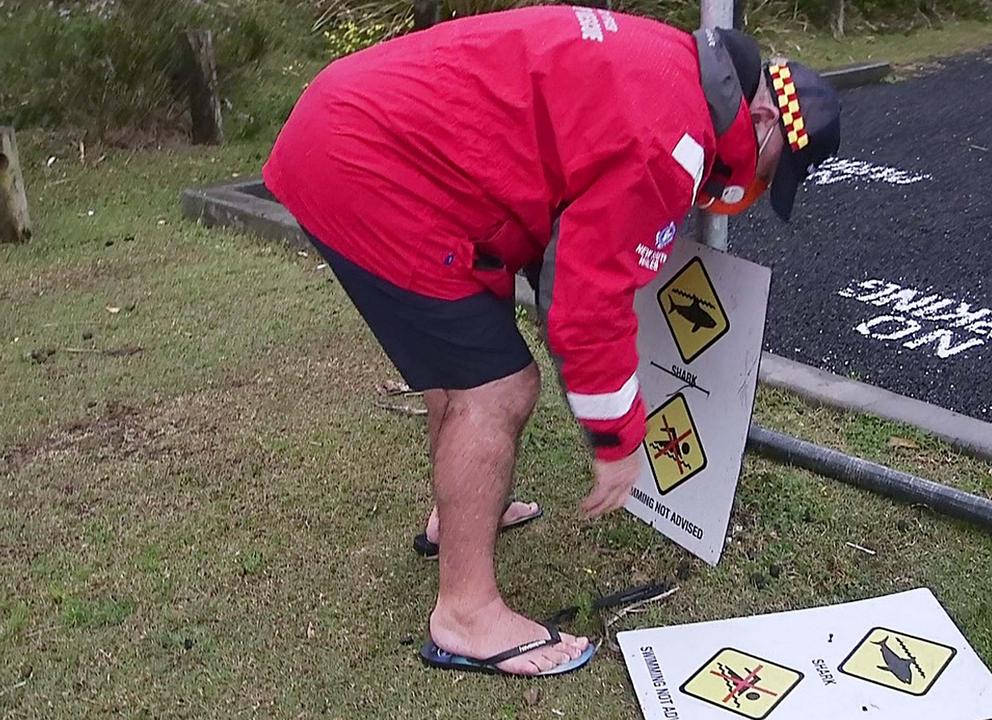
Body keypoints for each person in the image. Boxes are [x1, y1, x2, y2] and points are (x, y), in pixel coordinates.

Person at [262, 4, 841, 677]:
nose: (762, 184)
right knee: (499, 387)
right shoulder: (672, 141)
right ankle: (466, 616)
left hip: (358, 129)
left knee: (471, 355)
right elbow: (581, 302)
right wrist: (620, 440)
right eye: (774, 170)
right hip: (372, 164)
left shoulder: (671, 63)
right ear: (766, 122)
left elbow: (560, 229)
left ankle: (459, 518)